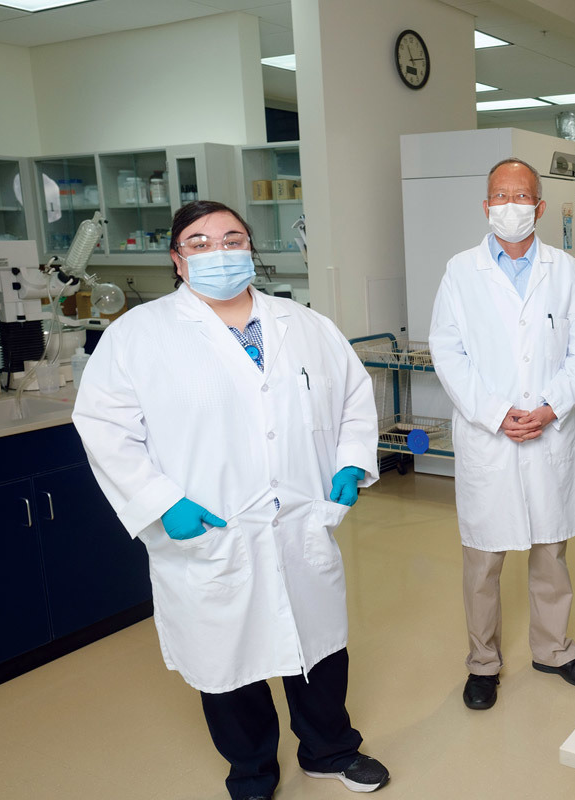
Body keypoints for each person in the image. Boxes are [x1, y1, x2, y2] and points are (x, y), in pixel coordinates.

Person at [72, 201, 389, 800]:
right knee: (226, 659)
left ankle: (330, 751)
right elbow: (104, 427)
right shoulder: (138, 335)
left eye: (232, 239)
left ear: (249, 248)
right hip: (210, 528)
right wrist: (159, 501)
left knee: (319, 647)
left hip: (298, 521)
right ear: (177, 259)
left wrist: (351, 460)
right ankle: (252, 771)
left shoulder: (306, 325)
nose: (218, 252)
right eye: (199, 243)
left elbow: (353, 397)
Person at [429, 157, 575, 711]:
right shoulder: (461, 271)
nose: (511, 206)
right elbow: (447, 351)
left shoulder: (566, 271)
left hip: (549, 430)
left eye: (522, 196)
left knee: (551, 552)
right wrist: (495, 412)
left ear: (540, 206)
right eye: (501, 197)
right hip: (490, 435)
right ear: (486, 206)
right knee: (483, 561)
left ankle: (553, 650)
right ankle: (483, 663)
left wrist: (551, 407)